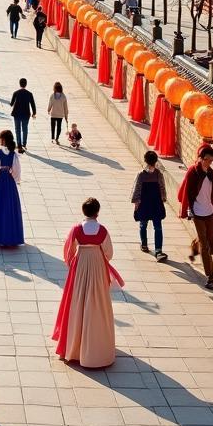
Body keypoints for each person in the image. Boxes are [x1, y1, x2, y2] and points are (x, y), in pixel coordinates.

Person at [52, 197, 121, 369]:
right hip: (97, 264)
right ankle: (97, 346)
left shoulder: (76, 229)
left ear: (84, 211)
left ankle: (74, 347)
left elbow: (68, 251)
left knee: (76, 302)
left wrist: (73, 263)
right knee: (97, 303)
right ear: (97, 212)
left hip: (81, 264)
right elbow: (109, 253)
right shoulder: (103, 231)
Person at [179, 144, 213, 288]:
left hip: (209, 212)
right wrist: (189, 209)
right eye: (207, 160)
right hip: (197, 212)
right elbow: (188, 192)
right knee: (206, 246)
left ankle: (194, 247)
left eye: (211, 160)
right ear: (200, 158)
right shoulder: (193, 172)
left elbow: (212, 192)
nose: (209, 163)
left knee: (211, 243)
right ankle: (210, 277)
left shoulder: (210, 173)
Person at [0, 130, 24, 247]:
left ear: (3, 140)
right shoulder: (13, 154)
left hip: (0, 182)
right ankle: (11, 237)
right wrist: (12, 178)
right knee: (10, 208)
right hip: (9, 183)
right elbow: (17, 173)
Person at [131, 150, 168, 261]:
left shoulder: (141, 174)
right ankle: (158, 250)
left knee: (143, 224)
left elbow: (137, 189)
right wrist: (163, 199)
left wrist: (136, 202)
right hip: (156, 203)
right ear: (156, 161)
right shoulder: (158, 174)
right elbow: (162, 188)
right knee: (158, 227)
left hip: (144, 203)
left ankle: (144, 245)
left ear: (145, 161)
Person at [9, 78, 37, 153]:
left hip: (17, 114)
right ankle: (24, 143)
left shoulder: (16, 93)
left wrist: (14, 102)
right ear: (26, 84)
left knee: (17, 129)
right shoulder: (29, 94)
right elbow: (33, 104)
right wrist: (34, 113)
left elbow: (11, 104)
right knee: (25, 129)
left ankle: (19, 144)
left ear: (19, 84)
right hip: (26, 114)